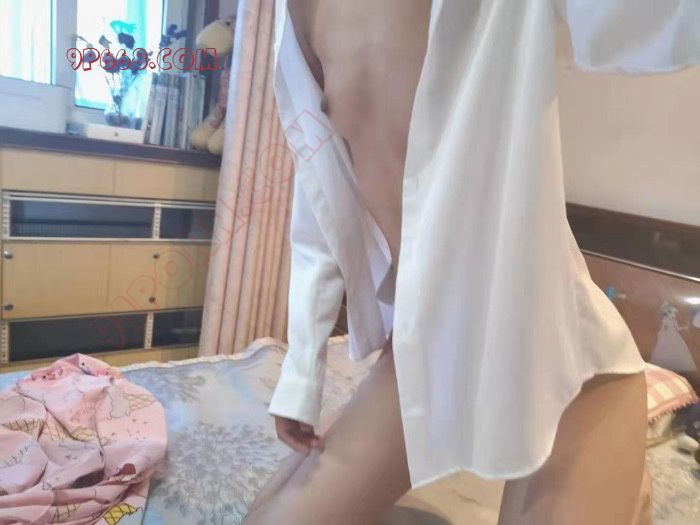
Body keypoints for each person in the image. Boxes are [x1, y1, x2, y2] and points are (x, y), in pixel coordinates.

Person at [244, 1, 698, 523]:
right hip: (424, 348)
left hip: (565, 367)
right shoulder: (296, 13)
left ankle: (626, 482)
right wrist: (302, 374)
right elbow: (323, 198)